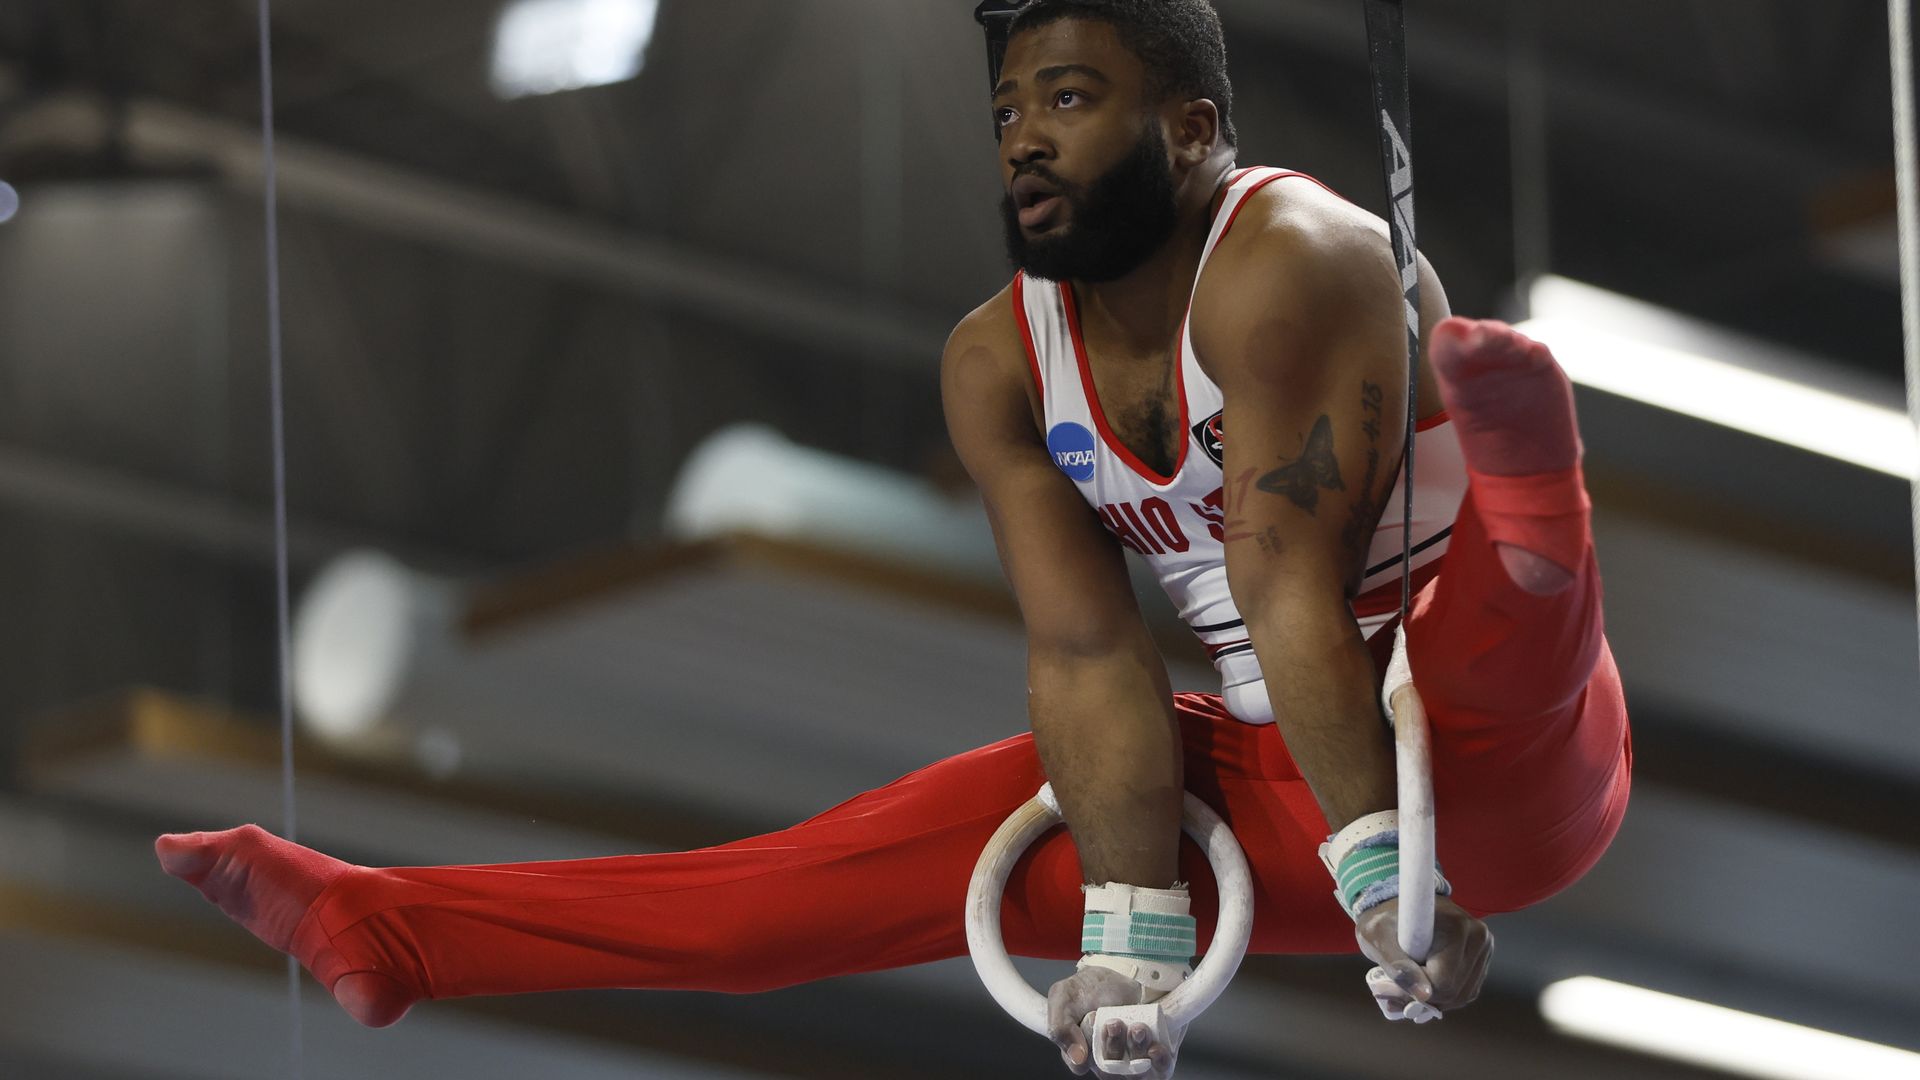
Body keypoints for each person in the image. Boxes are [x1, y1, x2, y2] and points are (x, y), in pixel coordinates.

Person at [156, 2, 1631, 1076]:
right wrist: (1131, 946)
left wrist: (1395, 887)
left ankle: (1532, 480)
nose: (1022, 144)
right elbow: (1085, 647)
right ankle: (396, 934)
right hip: (1280, 773)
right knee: (807, 888)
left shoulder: (1291, 263)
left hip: (1476, 758)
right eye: (1006, 114)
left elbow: (1285, 581)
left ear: (1192, 133)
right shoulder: (998, 362)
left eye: (1066, 101)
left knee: (1499, 627)